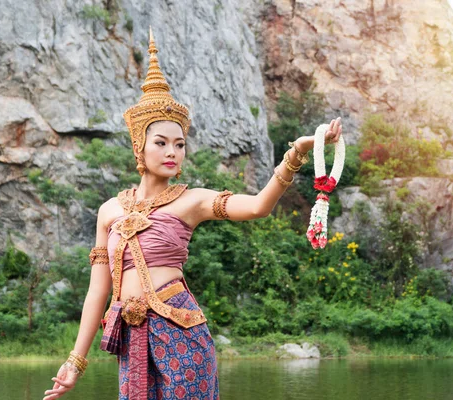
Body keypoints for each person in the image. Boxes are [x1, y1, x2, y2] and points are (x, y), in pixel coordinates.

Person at [43, 28, 343, 400]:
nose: (173, 151)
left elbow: (258, 207)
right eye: (161, 142)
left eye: (180, 144)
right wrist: (75, 361)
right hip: (131, 340)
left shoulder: (192, 201)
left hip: (182, 332)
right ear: (140, 145)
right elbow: (97, 292)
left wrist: (296, 153)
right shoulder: (109, 211)